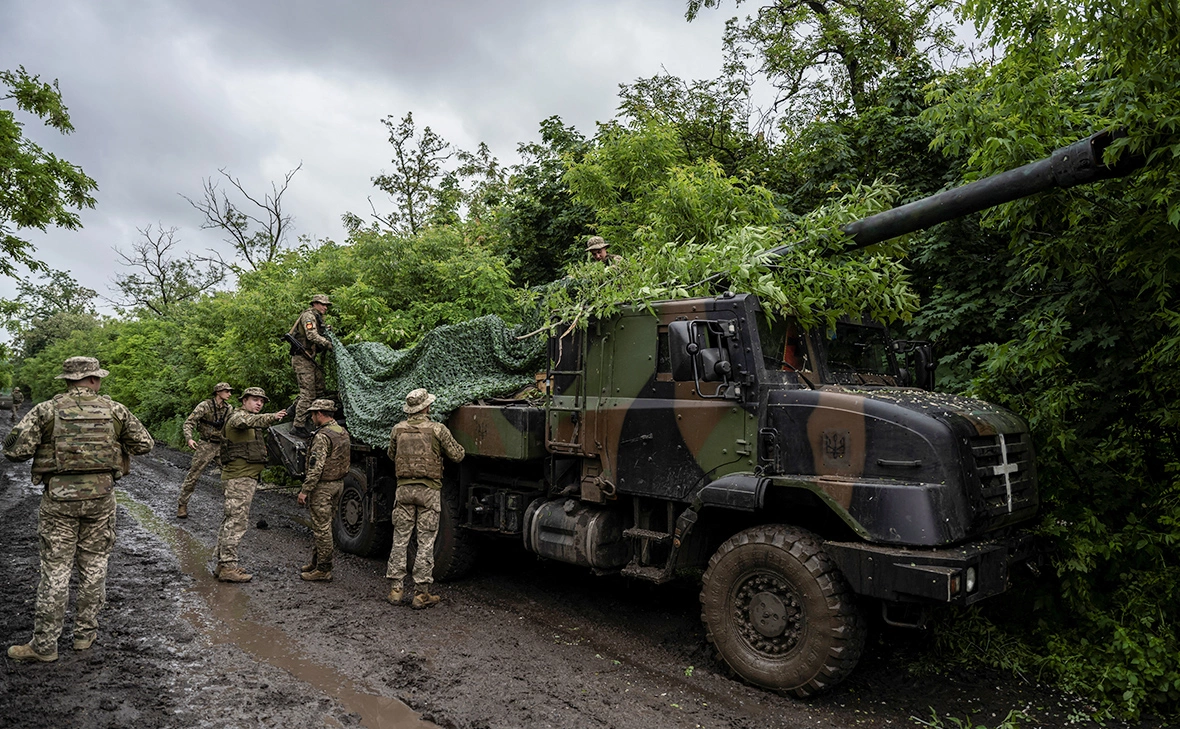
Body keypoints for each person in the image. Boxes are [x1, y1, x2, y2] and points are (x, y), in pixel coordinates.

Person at [2, 356, 154, 662]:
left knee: (56, 570)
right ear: (94, 380)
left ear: (67, 380)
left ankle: (45, 646)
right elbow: (145, 444)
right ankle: (85, 635)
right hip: (101, 498)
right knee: (95, 566)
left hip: (59, 500)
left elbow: (13, 451)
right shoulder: (115, 410)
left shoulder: (46, 410)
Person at [385, 388, 464, 609]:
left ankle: (396, 590)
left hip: (403, 490)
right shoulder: (438, 430)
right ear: (427, 407)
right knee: (425, 542)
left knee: (400, 539)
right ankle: (421, 594)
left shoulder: (397, 429)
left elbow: (392, 455)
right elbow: (457, 455)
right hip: (428, 492)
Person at [214, 387, 287, 583]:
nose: (259, 404)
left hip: (244, 477)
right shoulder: (238, 417)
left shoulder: (248, 420)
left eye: (261, 401)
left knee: (231, 520)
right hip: (239, 478)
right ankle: (228, 566)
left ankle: (223, 565)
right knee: (237, 522)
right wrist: (272, 417)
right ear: (244, 400)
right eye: (255, 400)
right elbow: (245, 421)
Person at [297, 399, 350, 582]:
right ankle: (316, 561)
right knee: (325, 525)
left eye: (313, 414)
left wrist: (305, 490)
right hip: (338, 484)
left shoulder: (322, 436)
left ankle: (323, 569)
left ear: (320, 414)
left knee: (321, 528)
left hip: (323, 487)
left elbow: (315, 467)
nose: (312, 418)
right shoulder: (341, 431)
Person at [177, 382, 233, 518]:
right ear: (218, 392)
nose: (229, 394)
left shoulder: (229, 409)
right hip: (206, 445)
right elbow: (189, 423)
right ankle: (182, 504)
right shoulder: (205, 406)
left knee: (229, 477)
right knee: (193, 475)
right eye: (226, 391)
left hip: (221, 445)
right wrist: (189, 438)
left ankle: (231, 510)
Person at [287, 294, 333, 435]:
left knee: (319, 388)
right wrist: (327, 344)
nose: (325, 307)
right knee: (308, 394)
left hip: (309, 358)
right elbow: (311, 335)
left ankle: (294, 410)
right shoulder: (309, 316)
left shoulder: (317, 317)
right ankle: (298, 426)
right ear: (315, 304)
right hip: (302, 359)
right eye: (323, 304)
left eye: (326, 305)